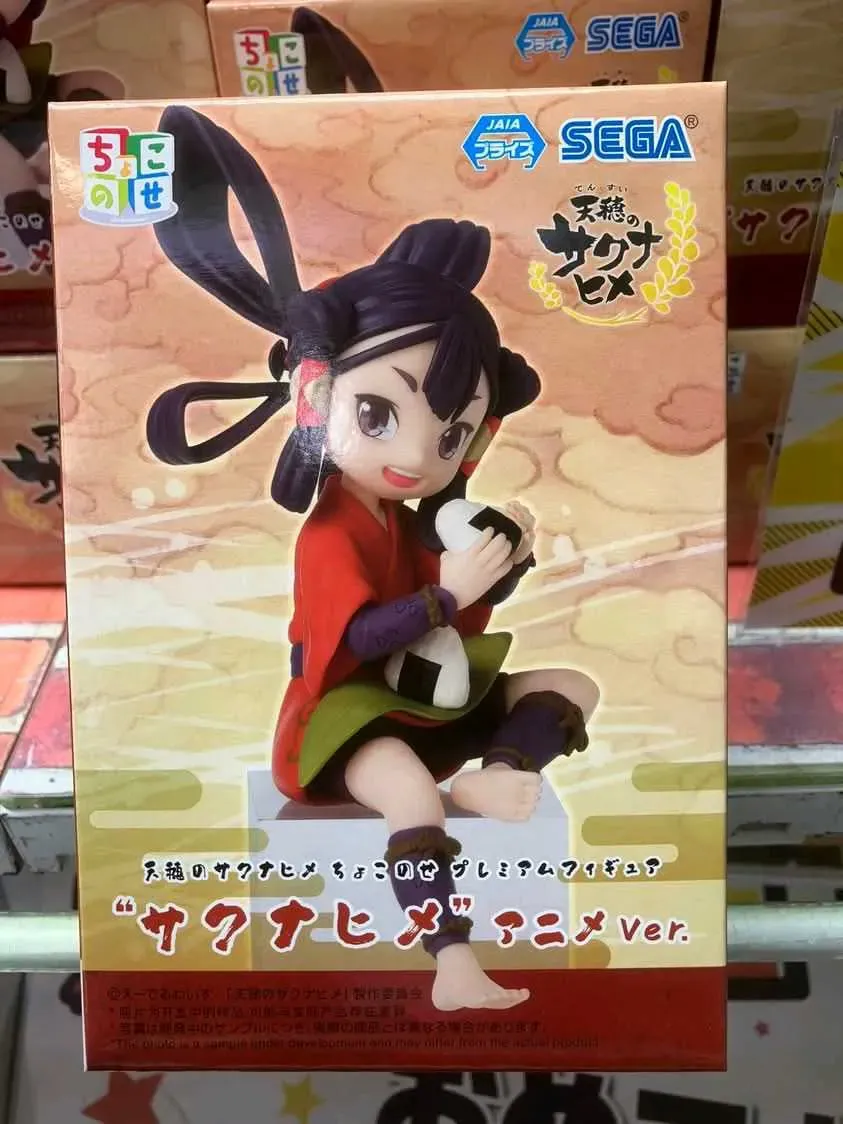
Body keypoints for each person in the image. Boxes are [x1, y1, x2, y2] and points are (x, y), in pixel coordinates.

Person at [147, 105, 600, 1012]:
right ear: (317, 394)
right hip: (341, 722)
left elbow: (454, 622)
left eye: (451, 434)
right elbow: (353, 641)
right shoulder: (332, 531)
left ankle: (499, 776)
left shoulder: (406, 521)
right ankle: (452, 962)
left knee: (570, 685)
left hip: (418, 696)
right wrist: (447, 598)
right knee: (409, 797)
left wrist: (496, 566)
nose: (417, 455)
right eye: (379, 414)